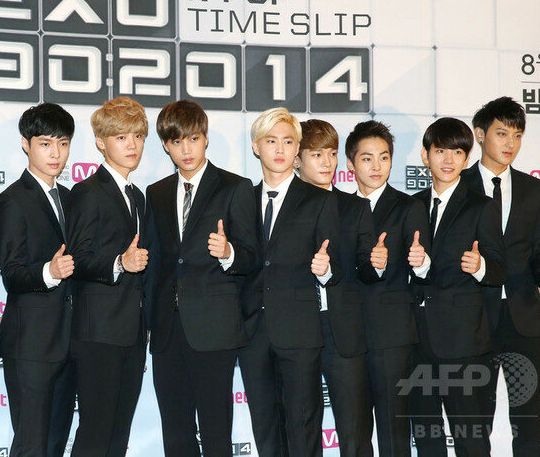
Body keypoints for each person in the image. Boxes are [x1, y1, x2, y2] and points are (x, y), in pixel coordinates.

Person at [145, 99, 259, 456]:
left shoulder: (235, 187)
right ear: (166, 145)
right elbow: (157, 262)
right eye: (177, 141)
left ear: (206, 138)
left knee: (215, 431)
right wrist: (149, 320)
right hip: (167, 328)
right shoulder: (156, 193)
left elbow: (253, 257)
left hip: (214, 327)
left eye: (193, 139)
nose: (186, 149)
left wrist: (229, 253)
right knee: (175, 431)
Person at [237, 108, 338, 457]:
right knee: (265, 426)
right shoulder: (241, 199)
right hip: (252, 331)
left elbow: (337, 265)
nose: (279, 149)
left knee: (303, 426)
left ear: (297, 149)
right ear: (256, 147)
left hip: (300, 331)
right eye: (271, 141)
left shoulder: (321, 200)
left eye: (288, 141)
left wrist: (325, 270)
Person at [462, 97, 540, 456]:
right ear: (480, 135)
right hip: (473, 319)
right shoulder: (459, 186)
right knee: (475, 426)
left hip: (524, 317)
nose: (510, 144)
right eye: (501, 134)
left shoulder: (535, 189)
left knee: (528, 425)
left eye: (517, 135)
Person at [409, 117, 506, 457]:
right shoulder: (411, 205)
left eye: (458, 152)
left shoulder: (481, 206)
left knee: (470, 439)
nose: (449, 160)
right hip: (416, 340)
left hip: (462, 343)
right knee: (427, 437)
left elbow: (500, 269)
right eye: (440, 151)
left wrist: (480, 267)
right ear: (426, 156)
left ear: (467, 159)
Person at [66, 96, 149, 456]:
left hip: (132, 333)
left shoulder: (138, 196)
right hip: (98, 333)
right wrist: (119, 262)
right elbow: (77, 258)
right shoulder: (87, 192)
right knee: (96, 432)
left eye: (137, 136)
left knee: (118, 433)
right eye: (121, 137)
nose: (132, 145)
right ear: (101, 142)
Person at [345, 120, 432, 457]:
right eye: (367, 158)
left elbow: (424, 271)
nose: (376, 166)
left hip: (391, 336)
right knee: (354, 432)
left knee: (394, 431)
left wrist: (421, 262)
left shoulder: (408, 207)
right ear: (351, 163)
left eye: (384, 157)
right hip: (347, 336)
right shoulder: (338, 208)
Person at [0, 103, 77, 456]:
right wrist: (49, 272)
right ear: (26, 144)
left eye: (63, 143)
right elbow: (12, 273)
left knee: (56, 443)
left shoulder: (71, 198)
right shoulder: (12, 200)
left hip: (69, 341)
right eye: (45, 143)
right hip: (30, 344)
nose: (55, 153)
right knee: (31, 445)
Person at [295, 119, 378, 457]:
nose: (327, 163)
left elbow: (367, 270)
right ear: (297, 158)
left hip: (342, 329)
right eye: (317, 154)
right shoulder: (281, 208)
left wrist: (377, 263)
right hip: (295, 329)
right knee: (302, 430)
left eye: (331, 154)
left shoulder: (355, 208)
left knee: (355, 431)